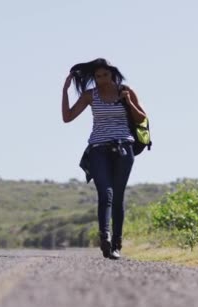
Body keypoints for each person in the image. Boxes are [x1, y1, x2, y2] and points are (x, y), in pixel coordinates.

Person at [61, 58, 147, 260]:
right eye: (97, 76)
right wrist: (65, 91)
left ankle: (117, 243)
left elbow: (141, 118)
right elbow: (67, 117)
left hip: (124, 148)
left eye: (105, 75)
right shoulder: (90, 95)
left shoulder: (125, 90)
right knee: (105, 193)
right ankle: (105, 238)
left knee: (118, 196)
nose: (101, 79)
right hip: (98, 149)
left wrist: (127, 101)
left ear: (112, 73)